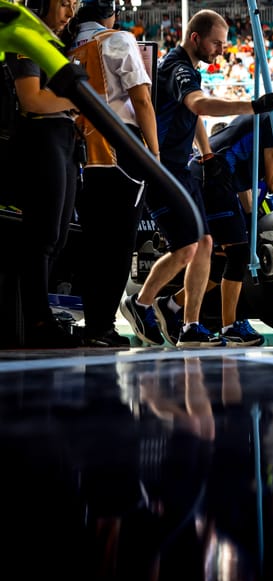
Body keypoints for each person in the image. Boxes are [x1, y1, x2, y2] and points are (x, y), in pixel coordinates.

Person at [118, 9, 273, 348]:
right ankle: (143, 303)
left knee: (202, 244)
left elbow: (191, 116)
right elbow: (200, 105)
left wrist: (206, 153)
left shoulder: (189, 69)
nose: (221, 50)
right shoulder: (177, 68)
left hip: (180, 168)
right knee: (189, 246)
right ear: (195, 38)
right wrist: (252, 106)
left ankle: (186, 323)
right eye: (216, 43)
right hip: (161, 169)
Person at [154, 71, 273, 347]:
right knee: (237, 254)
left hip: (212, 177)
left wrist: (250, 217)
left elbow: (246, 178)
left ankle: (172, 306)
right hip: (213, 177)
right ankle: (228, 327)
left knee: (222, 259)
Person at [64, 0, 159, 348]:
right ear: (110, 13)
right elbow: (142, 99)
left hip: (81, 152)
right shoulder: (117, 39)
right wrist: (154, 154)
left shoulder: (68, 44)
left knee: (93, 245)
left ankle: (94, 324)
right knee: (119, 246)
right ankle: (103, 327)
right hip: (121, 149)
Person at [4, 0, 80, 348]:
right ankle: (37, 320)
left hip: (64, 137)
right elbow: (31, 100)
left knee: (59, 237)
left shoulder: (56, 43)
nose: (70, 12)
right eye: (64, 3)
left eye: (74, 4)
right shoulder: (26, 38)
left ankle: (41, 315)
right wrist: (77, 99)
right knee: (43, 235)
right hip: (39, 136)